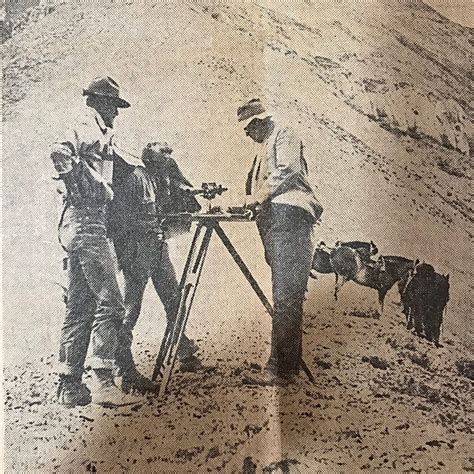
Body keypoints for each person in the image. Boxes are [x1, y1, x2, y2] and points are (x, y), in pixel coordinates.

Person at [50, 77, 140, 407]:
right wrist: (90, 182)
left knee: (79, 305)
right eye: (113, 107)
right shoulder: (84, 123)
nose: (115, 114)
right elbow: (59, 153)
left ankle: (70, 386)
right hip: (87, 222)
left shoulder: (100, 130)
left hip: (80, 223)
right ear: (100, 103)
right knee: (111, 302)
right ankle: (104, 383)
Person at [237, 98, 323, 385]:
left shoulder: (284, 134)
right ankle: (282, 365)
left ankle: (282, 370)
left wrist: (258, 197)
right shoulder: (265, 146)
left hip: (291, 219)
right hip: (278, 223)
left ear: (260, 122)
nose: (246, 135)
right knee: (284, 297)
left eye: (248, 128)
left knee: (287, 298)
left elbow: (288, 170)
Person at [112, 142, 202, 394]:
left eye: (171, 154)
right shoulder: (135, 178)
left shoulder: (163, 179)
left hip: (158, 247)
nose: (170, 158)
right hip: (138, 249)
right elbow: (120, 218)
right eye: (165, 154)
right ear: (150, 158)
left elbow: (186, 203)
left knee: (174, 299)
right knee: (130, 308)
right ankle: (122, 366)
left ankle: (183, 350)